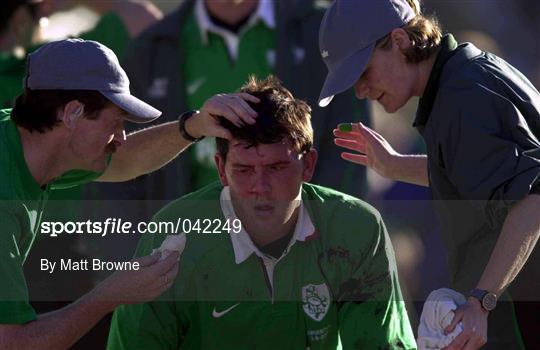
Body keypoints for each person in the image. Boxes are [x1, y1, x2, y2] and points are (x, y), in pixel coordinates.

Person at [107, 76, 416, 350]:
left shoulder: (356, 228)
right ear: (221, 170)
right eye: (243, 169)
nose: (260, 186)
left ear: (307, 165)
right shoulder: (172, 236)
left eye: (277, 167)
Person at [0, 38, 259, 349]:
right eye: (116, 123)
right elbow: (13, 343)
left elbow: (126, 160)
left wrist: (196, 125)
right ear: (71, 113)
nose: (121, 138)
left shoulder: (26, 138)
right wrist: (110, 294)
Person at [318, 0, 540, 349]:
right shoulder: (458, 78)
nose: (359, 90)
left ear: (400, 40)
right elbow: (474, 170)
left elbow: (531, 196)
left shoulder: (461, 93)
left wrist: (481, 301)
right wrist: (392, 165)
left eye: (362, 71)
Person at [96, 0, 370, 219]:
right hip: (189, 260)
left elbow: (349, 151)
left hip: (301, 255)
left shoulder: (322, 31)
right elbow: (118, 171)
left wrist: (327, 238)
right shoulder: (151, 49)